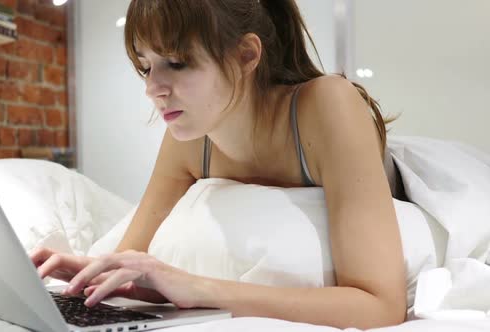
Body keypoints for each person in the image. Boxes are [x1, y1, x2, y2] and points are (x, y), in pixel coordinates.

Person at [31, 0, 407, 329]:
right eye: (146, 67)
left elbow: (381, 306)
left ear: (246, 56)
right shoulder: (191, 138)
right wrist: (84, 272)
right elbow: (132, 253)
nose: (153, 88)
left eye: (176, 63)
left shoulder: (329, 105)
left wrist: (200, 288)